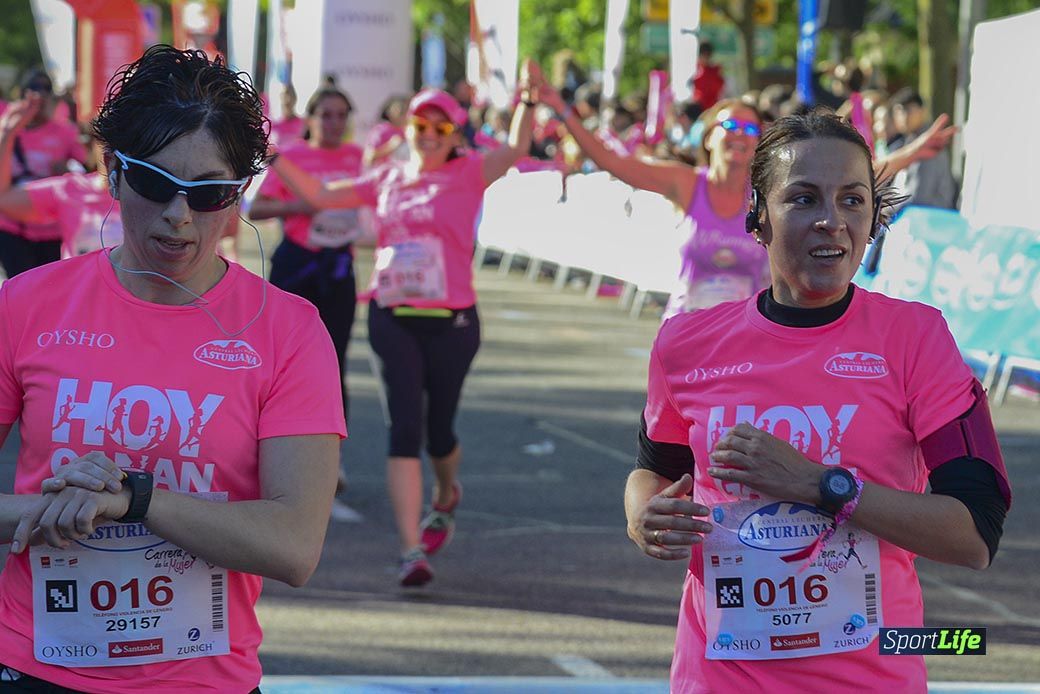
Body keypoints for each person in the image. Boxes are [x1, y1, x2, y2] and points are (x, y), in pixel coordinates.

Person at [627, 108, 1011, 693]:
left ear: (873, 218)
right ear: (758, 215)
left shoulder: (917, 340)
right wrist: (641, 517)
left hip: (870, 677)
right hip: (717, 677)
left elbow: (974, 535)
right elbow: (654, 473)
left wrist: (819, 484)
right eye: (804, 199)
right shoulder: (685, 344)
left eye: (853, 200)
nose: (832, 221)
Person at [0, 45, 345, 692]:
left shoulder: (288, 330)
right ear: (112, 171)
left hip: (204, 681)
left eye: (211, 193)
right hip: (34, 667)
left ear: (240, 191)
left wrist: (134, 499)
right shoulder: (24, 305)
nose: (180, 216)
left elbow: (295, 546)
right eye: (156, 184)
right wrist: (61, 507)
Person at [267, 63, 541, 586]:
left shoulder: (469, 173)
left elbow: (515, 149)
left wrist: (527, 102)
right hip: (393, 315)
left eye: (441, 128)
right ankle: (411, 549)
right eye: (421, 126)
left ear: (455, 135)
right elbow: (324, 198)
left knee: (439, 433)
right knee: (403, 430)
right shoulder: (387, 176)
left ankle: (445, 491)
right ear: (407, 130)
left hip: (453, 321)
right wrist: (275, 155)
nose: (430, 136)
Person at [542, 80, 770, 317]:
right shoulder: (687, 184)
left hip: (743, 337)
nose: (741, 134)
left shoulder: (767, 196)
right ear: (708, 137)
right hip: (687, 330)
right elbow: (611, 161)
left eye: (751, 129)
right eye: (731, 125)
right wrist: (563, 109)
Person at [249, 82, 362, 427]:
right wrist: (301, 206)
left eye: (341, 116)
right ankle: (274, 432)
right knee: (283, 357)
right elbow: (256, 209)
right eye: (326, 115)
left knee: (333, 357)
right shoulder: (293, 157)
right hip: (297, 263)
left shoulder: (357, 157)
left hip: (339, 265)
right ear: (310, 119)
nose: (334, 123)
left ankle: (333, 452)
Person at [0, 96, 124, 258]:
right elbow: (4, 197)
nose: (118, 152)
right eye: (107, 140)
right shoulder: (70, 189)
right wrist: (7, 133)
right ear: (91, 144)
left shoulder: (153, 195)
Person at [0, 68, 88, 278]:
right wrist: (9, 131)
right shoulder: (7, 124)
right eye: (33, 88)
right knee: (19, 290)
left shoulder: (65, 132)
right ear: (21, 93)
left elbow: (88, 168)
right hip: (12, 226)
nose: (40, 94)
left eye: (46, 89)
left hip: (52, 231)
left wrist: (68, 169)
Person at [888, 88, 958, 210]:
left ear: (922, 110)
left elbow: (920, 198)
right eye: (899, 112)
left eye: (908, 110)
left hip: (933, 217)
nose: (904, 117)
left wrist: (886, 210)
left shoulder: (929, 142)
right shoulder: (911, 140)